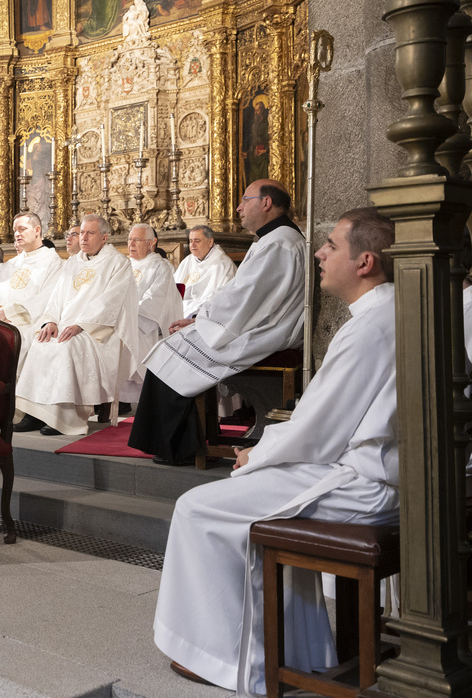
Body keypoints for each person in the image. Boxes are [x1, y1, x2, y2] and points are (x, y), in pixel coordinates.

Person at [154, 207, 398, 695]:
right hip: (368, 471)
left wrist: (258, 454)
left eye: (331, 245)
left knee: (196, 508)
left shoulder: (371, 326)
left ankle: (225, 658)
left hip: (364, 484)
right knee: (243, 494)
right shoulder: (386, 314)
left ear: (365, 261)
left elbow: (320, 428)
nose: (321, 253)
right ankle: (296, 650)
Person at [128, 179, 307, 464]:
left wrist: (201, 320)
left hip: (267, 332)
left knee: (171, 352)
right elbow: (244, 295)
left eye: (245, 200)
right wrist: (201, 319)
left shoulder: (279, 243)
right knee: (172, 348)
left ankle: (182, 447)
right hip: (261, 325)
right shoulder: (277, 239)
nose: (238, 208)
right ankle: (180, 440)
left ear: (266, 203)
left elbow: (245, 297)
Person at [15, 214, 142, 435]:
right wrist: (51, 321)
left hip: (98, 332)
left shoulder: (118, 264)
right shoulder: (73, 262)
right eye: (81, 232)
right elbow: (56, 297)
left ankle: (63, 416)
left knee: (65, 348)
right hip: (66, 326)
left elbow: (111, 302)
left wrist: (81, 325)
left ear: (104, 238)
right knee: (40, 341)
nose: (83, 237)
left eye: (90, 233)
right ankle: (35, 414)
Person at [0, 212, 63, 372]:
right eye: (15, 230)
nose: (17, 234)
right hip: (1, 323)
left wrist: (7, 312)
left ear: (37, 230)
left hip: (30, 324)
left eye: (22, 229)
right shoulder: (8, 265)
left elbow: (47, 298)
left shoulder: (53, 262)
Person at [120, 224, 183, 404]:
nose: (131, 244)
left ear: (151, 243)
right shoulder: (124, 265)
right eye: (129, 239)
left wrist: (128, 315)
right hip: (123, 319)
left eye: (136, 240)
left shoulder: (160, 267)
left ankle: (136, 399)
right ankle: (108, 398)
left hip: (145, 324)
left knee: (128, 335)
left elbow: (155, 300)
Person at [174, 224, 237, 317]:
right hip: (181, 310)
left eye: (197, 241)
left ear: (210, 242)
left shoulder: (222, 264)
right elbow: (174, 288)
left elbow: (219, 299)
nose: (192, 245)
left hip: (203, 315)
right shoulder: (187, 261)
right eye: (191, 241)